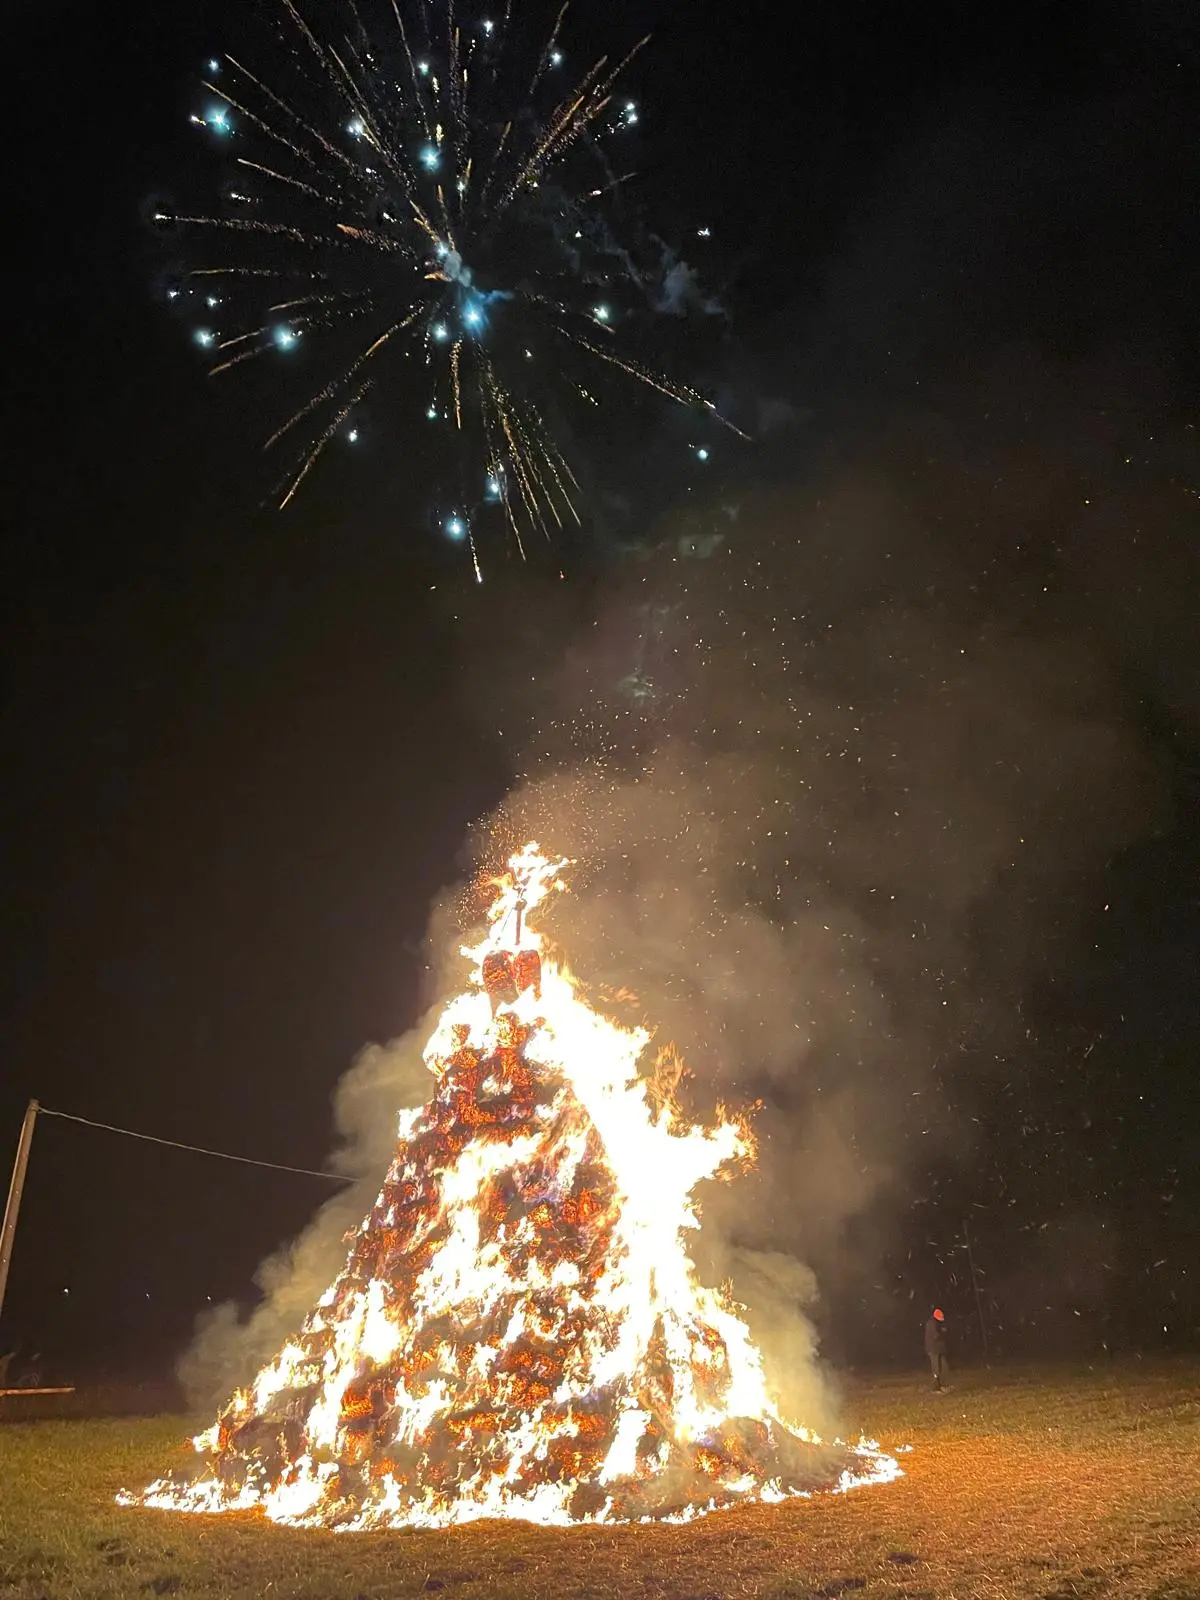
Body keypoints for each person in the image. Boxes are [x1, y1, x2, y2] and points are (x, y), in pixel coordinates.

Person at [924, 1307, 949, 1391]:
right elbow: (936, 1336)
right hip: (933, 1349)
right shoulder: (932, 1323)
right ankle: (935, 1387)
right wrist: (943, 1332)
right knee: (936, 1368)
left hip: (937, 1349)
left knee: (944, 1366)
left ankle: (942, 1384)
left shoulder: (935, 1322)